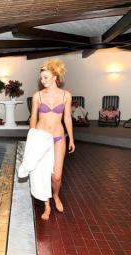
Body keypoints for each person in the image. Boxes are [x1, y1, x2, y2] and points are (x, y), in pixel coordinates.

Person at [29, 59, 75, 220]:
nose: (43, 81)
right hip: (41, 138)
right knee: (42, 174)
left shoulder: (66, 95)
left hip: (58, 137)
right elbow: (33, 117)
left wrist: (71, 139)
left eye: (46, 77)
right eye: (41, 78)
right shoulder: (38, 96)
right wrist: (32, 137)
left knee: (56, 176)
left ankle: (56, 195)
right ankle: (47, 206)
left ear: (55, 77)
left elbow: (67, 117)